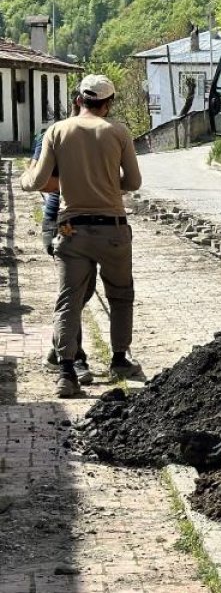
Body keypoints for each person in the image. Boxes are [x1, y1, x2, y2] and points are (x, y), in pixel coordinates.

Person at [20, 75, 144, 398]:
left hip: (70, 227)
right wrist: (105, 183)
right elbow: (133, 181)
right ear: (108, 103)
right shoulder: (118, 133)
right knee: (120, 294)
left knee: (69, 298)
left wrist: (24, 178)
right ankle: (119, 360)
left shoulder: (58, 131)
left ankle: (65, 372)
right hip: (112, 228)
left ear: (79, 99)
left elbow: (38, 181)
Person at [31, 100, 96, 384]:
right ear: (78, 104)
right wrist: (77, 181)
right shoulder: (51, 136)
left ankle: (58, 348)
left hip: (89, 219)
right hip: (61, 220)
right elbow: (38, 178)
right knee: (73, 293)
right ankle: (75, 359)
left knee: (83, 291)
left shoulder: (99, 135)